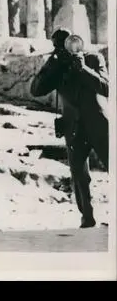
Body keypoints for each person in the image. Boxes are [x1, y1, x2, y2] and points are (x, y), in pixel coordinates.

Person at [30, 28, 109, 228]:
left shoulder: (93, 58)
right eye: (60, 45)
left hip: (99, 122)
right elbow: (36, 90)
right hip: (73, 126)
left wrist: (83, 68)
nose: (67, 48)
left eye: (69, 43)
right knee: (79, 174)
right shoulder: (57, 66)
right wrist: (53, 63)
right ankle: (87, 217)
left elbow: (106, 88)